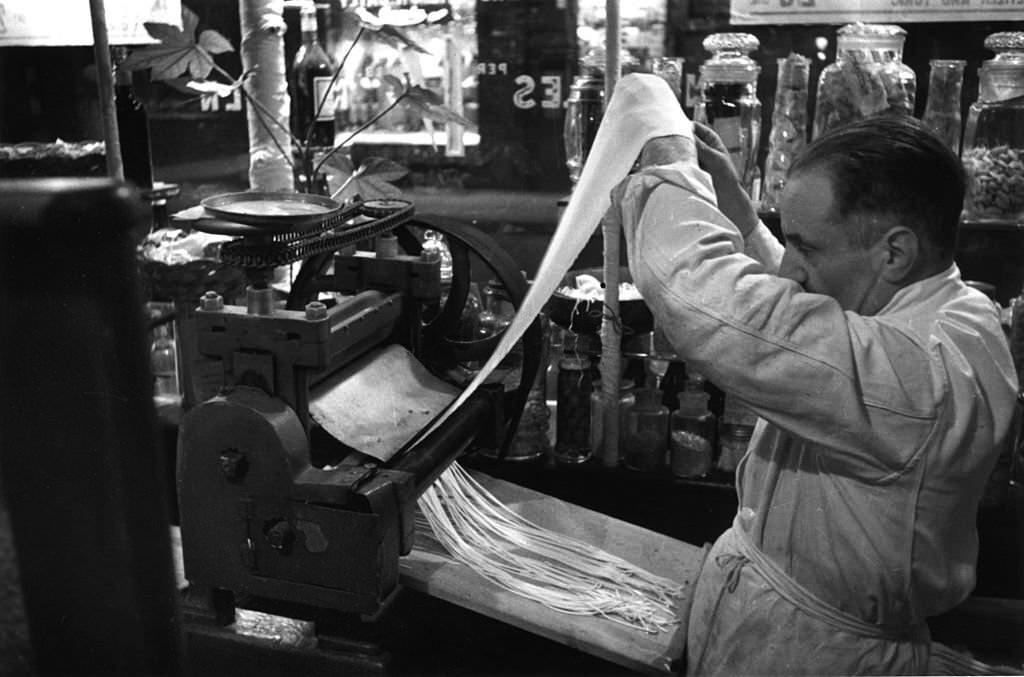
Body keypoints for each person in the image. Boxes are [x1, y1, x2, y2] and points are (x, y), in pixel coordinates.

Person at [608, 77, 1019, 675]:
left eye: (806, 244)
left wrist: (668, 161)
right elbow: (816, 315)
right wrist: (747, 224)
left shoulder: (919, 372)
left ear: (894, 253)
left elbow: (708, 300)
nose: (790, 268)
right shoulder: (946, 311)